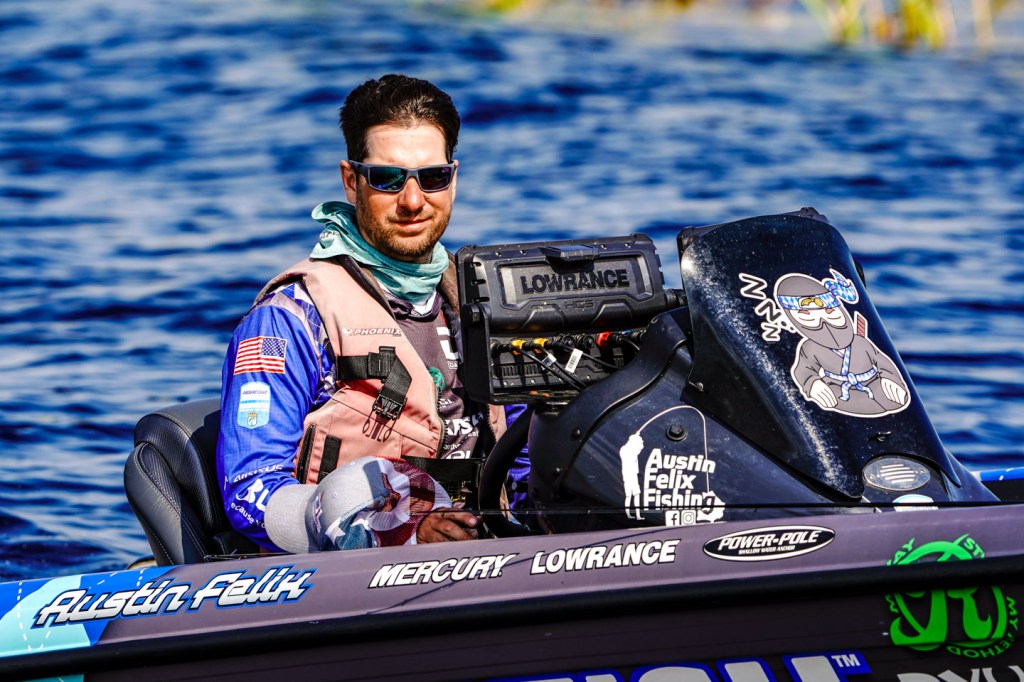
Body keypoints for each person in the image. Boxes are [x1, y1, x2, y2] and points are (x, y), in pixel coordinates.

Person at [216, 74, 523, 553]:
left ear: (454, 178)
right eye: (387, 178)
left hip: (497, 557)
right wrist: (397, 531)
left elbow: (529, 462)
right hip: (356, 574)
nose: (413, 201)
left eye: (433, 177)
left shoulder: (490, 301)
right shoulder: (289, 320)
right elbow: (250, 491)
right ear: (350, 180)